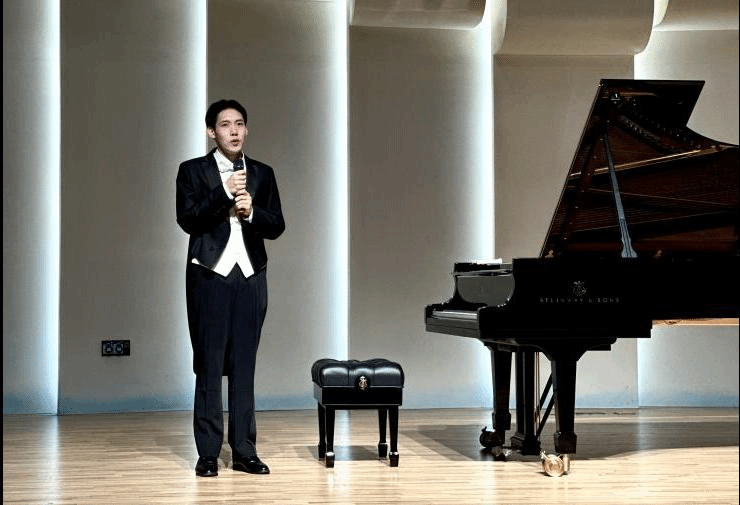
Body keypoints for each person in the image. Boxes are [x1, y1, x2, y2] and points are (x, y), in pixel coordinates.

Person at [176, 99, 285, 477]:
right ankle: (208, 453)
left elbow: (277, 224)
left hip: (251, 276)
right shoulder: (192, 171)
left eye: (240, 123)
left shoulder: (263, 173)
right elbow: (187, 219)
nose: (234, 131)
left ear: (246, 129)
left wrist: (252, 212)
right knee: (209, 366)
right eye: (225, 125)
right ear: (212, 132)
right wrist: (223, 193)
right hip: (210, 275)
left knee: (244, 366)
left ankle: (244, 451)